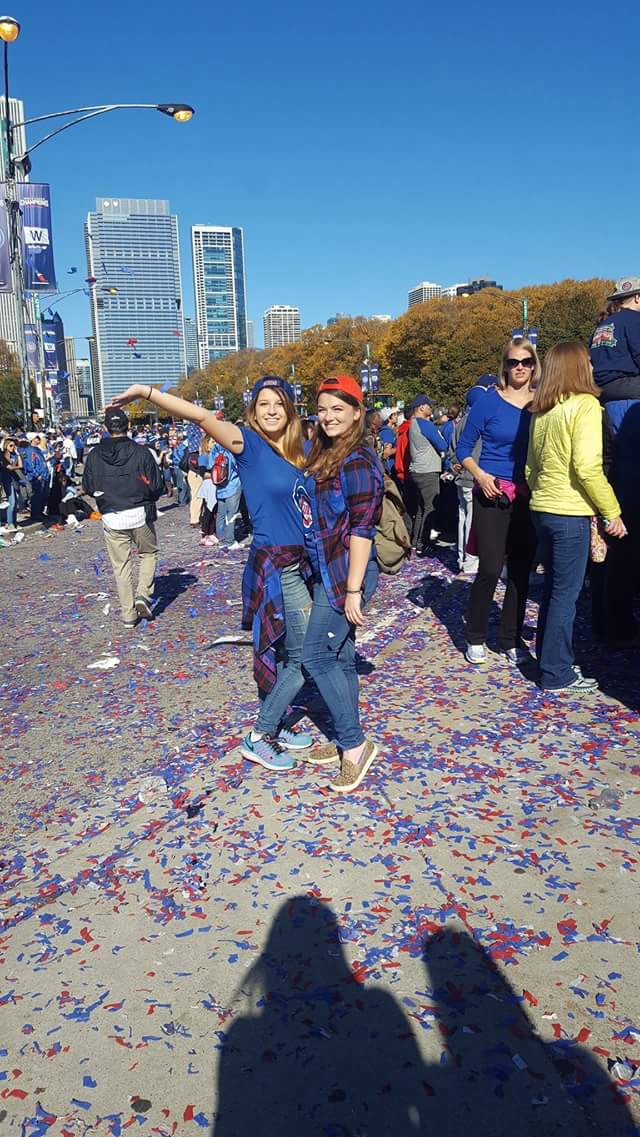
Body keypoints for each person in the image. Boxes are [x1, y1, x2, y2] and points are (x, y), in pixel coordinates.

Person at [110, 376, 322, 772]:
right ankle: (260, 735)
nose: (272, 410)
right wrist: (145, 393)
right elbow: (202, 415)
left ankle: (278, 721)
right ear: (253, 411)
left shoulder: (303, 449)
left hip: (304, 561)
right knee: (299, 654)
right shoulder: (248, 444)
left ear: (291, 408)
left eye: (279, 403)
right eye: (263, 404)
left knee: (282, 649)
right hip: (276, 564)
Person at [526, 342, 627, 691]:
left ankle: (550, 663)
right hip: (569, 511)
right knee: (565, 596)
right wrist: (611, 511)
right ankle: (557, 672)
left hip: (543, 508)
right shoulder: (585, 405)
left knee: (556, 591)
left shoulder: (543, 411)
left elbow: (530, 467)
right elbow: (587, 467)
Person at [302, 374, 384, 793]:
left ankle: (354, 745)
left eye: (339, 409)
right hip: (327, 568)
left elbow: (362, 529)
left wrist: (352, 590)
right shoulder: (328, 452)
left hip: (347, 573)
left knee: (315, 655)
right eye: (323, 409)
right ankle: (343, 733)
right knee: (342, 656)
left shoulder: (357, 461)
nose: (329, 417)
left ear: (357, 413)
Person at [456, 338, 539, 665]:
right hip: (492, 490)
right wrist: (481, 476)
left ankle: (510, 638)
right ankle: (474, 635)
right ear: (503, 366)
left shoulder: (542, 401)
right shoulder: (488, 402)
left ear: (535, 365)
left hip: (529, 495)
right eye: (513, 362)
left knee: (521, 571)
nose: (520, 367)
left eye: (526, 361)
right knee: (490, 568)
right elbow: (463, 449)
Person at [82, 407, 165, 628]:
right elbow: (157, 485)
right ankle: (142, 594)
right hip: (139, 512)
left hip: (112, 515)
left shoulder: (95, 455)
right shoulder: (141, 452)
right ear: (128, 427)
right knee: (148, 553)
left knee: (121, 566)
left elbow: (88, 487)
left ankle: (128, 614)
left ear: (106, 428)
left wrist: (105, 495)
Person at [451, 386, 486, 575]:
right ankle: (470, 560)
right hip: (472, 478)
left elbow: (452, 450)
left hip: (462, 477)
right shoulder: (477, 421)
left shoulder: (460, 422)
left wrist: (454, 467)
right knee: (472, 520)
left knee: (463, 518)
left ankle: (462, 557)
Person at [590, 276, 640, 403]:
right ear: (637, 297)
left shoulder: (603, 324)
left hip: (599, 387)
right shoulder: (635, 320)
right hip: (624, 384)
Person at [408, 394, 447, 554]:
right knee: (430, 507)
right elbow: (442, 444)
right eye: (429, 406)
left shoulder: (413, 424)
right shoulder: (425, 424)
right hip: (428, 470)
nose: (431, 409)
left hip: (417, 470)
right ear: (421, 407)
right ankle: (424, 543)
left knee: (421, 508)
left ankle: (416, 541)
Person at [0, 438, 22, 531]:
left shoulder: (13, 455)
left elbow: (21, 466)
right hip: (6, 479)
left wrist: (18, 454)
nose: (13, 447)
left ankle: (14, 521)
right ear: (6, 446)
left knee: (15, 501)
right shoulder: (3, 455)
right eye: (11, 445)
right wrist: (14, 467)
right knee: (11, 501)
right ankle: (10, 523)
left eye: (14, 445)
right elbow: (8, 467)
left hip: (14, 479)